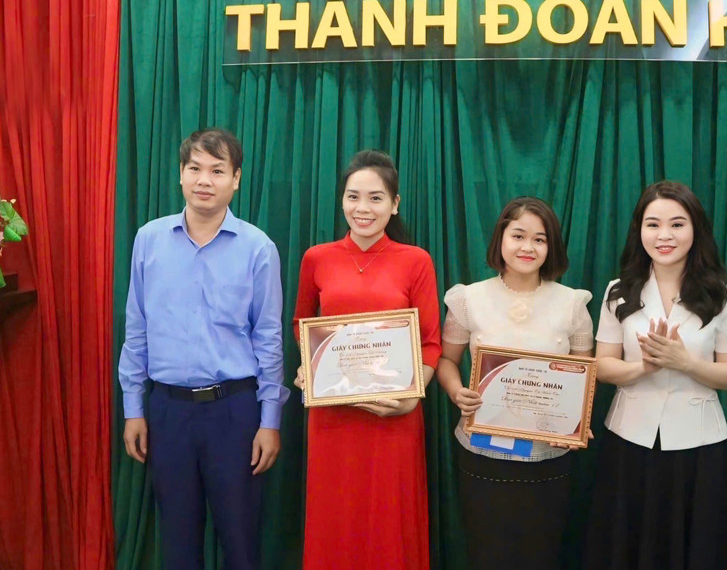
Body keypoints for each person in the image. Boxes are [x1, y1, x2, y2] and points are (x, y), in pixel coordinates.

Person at [119, 128, 288, 570]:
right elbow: (136, 329)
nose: (204, 180)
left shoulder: (257, 248)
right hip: (167, 411)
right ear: (180, 175)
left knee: (240, 538)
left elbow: (268, 340)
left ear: (236, 179)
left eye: (217, 170)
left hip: (233, 411)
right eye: (194, 168)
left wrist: (270, 420)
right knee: (177, 539)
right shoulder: (148, 240)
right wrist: (133, 409)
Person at [584, 180, 727, 569]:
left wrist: (686, 362)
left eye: (677, 224)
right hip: (630, 440)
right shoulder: (618, 291)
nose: (664, 235)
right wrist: (643, 366)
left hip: (699, 445)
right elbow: (602, 366)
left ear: (696, 230)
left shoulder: (724, 295)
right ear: (638, 230)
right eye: (653, 224)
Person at [292, 150, 441, 570]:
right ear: (341, 200)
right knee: (334, 515)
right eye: (353, 196)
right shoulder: (316, 258)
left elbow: (431, 342)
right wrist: (309, 365)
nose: (363, 208)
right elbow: (302, 325)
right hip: (332, 415)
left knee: (387, 519)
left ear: (394, 204)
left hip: (392, 415)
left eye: (376, 198)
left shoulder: (416, 260)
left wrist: (413, 397)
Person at [435, 196, 594, 570]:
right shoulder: (468, 299)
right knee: (486, 552)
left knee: (541, 552)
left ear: (551, 246)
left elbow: (586, 376)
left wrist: (575, 423)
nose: (528, 247)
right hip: (480, 450)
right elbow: (445, 361)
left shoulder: (573, 304)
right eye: (518, 235)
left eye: (540, 239)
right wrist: (456, 391)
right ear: (500, 239)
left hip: (548, 455)